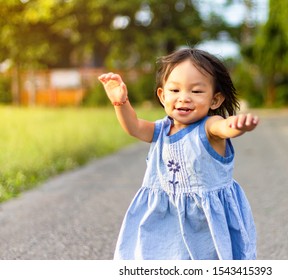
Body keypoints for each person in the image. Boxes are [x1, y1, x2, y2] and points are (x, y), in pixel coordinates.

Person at [98, 48, 259, 260]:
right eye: (175, 91)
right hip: (166, 217)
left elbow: (224, 128)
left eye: (196, 91)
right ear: (162, 96)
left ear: (215, 100)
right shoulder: (161, 129)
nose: (184, 98)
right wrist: (120, 102)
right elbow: (134, 126)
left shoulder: (210, 126)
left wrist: (237, 125)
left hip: (203, 222)